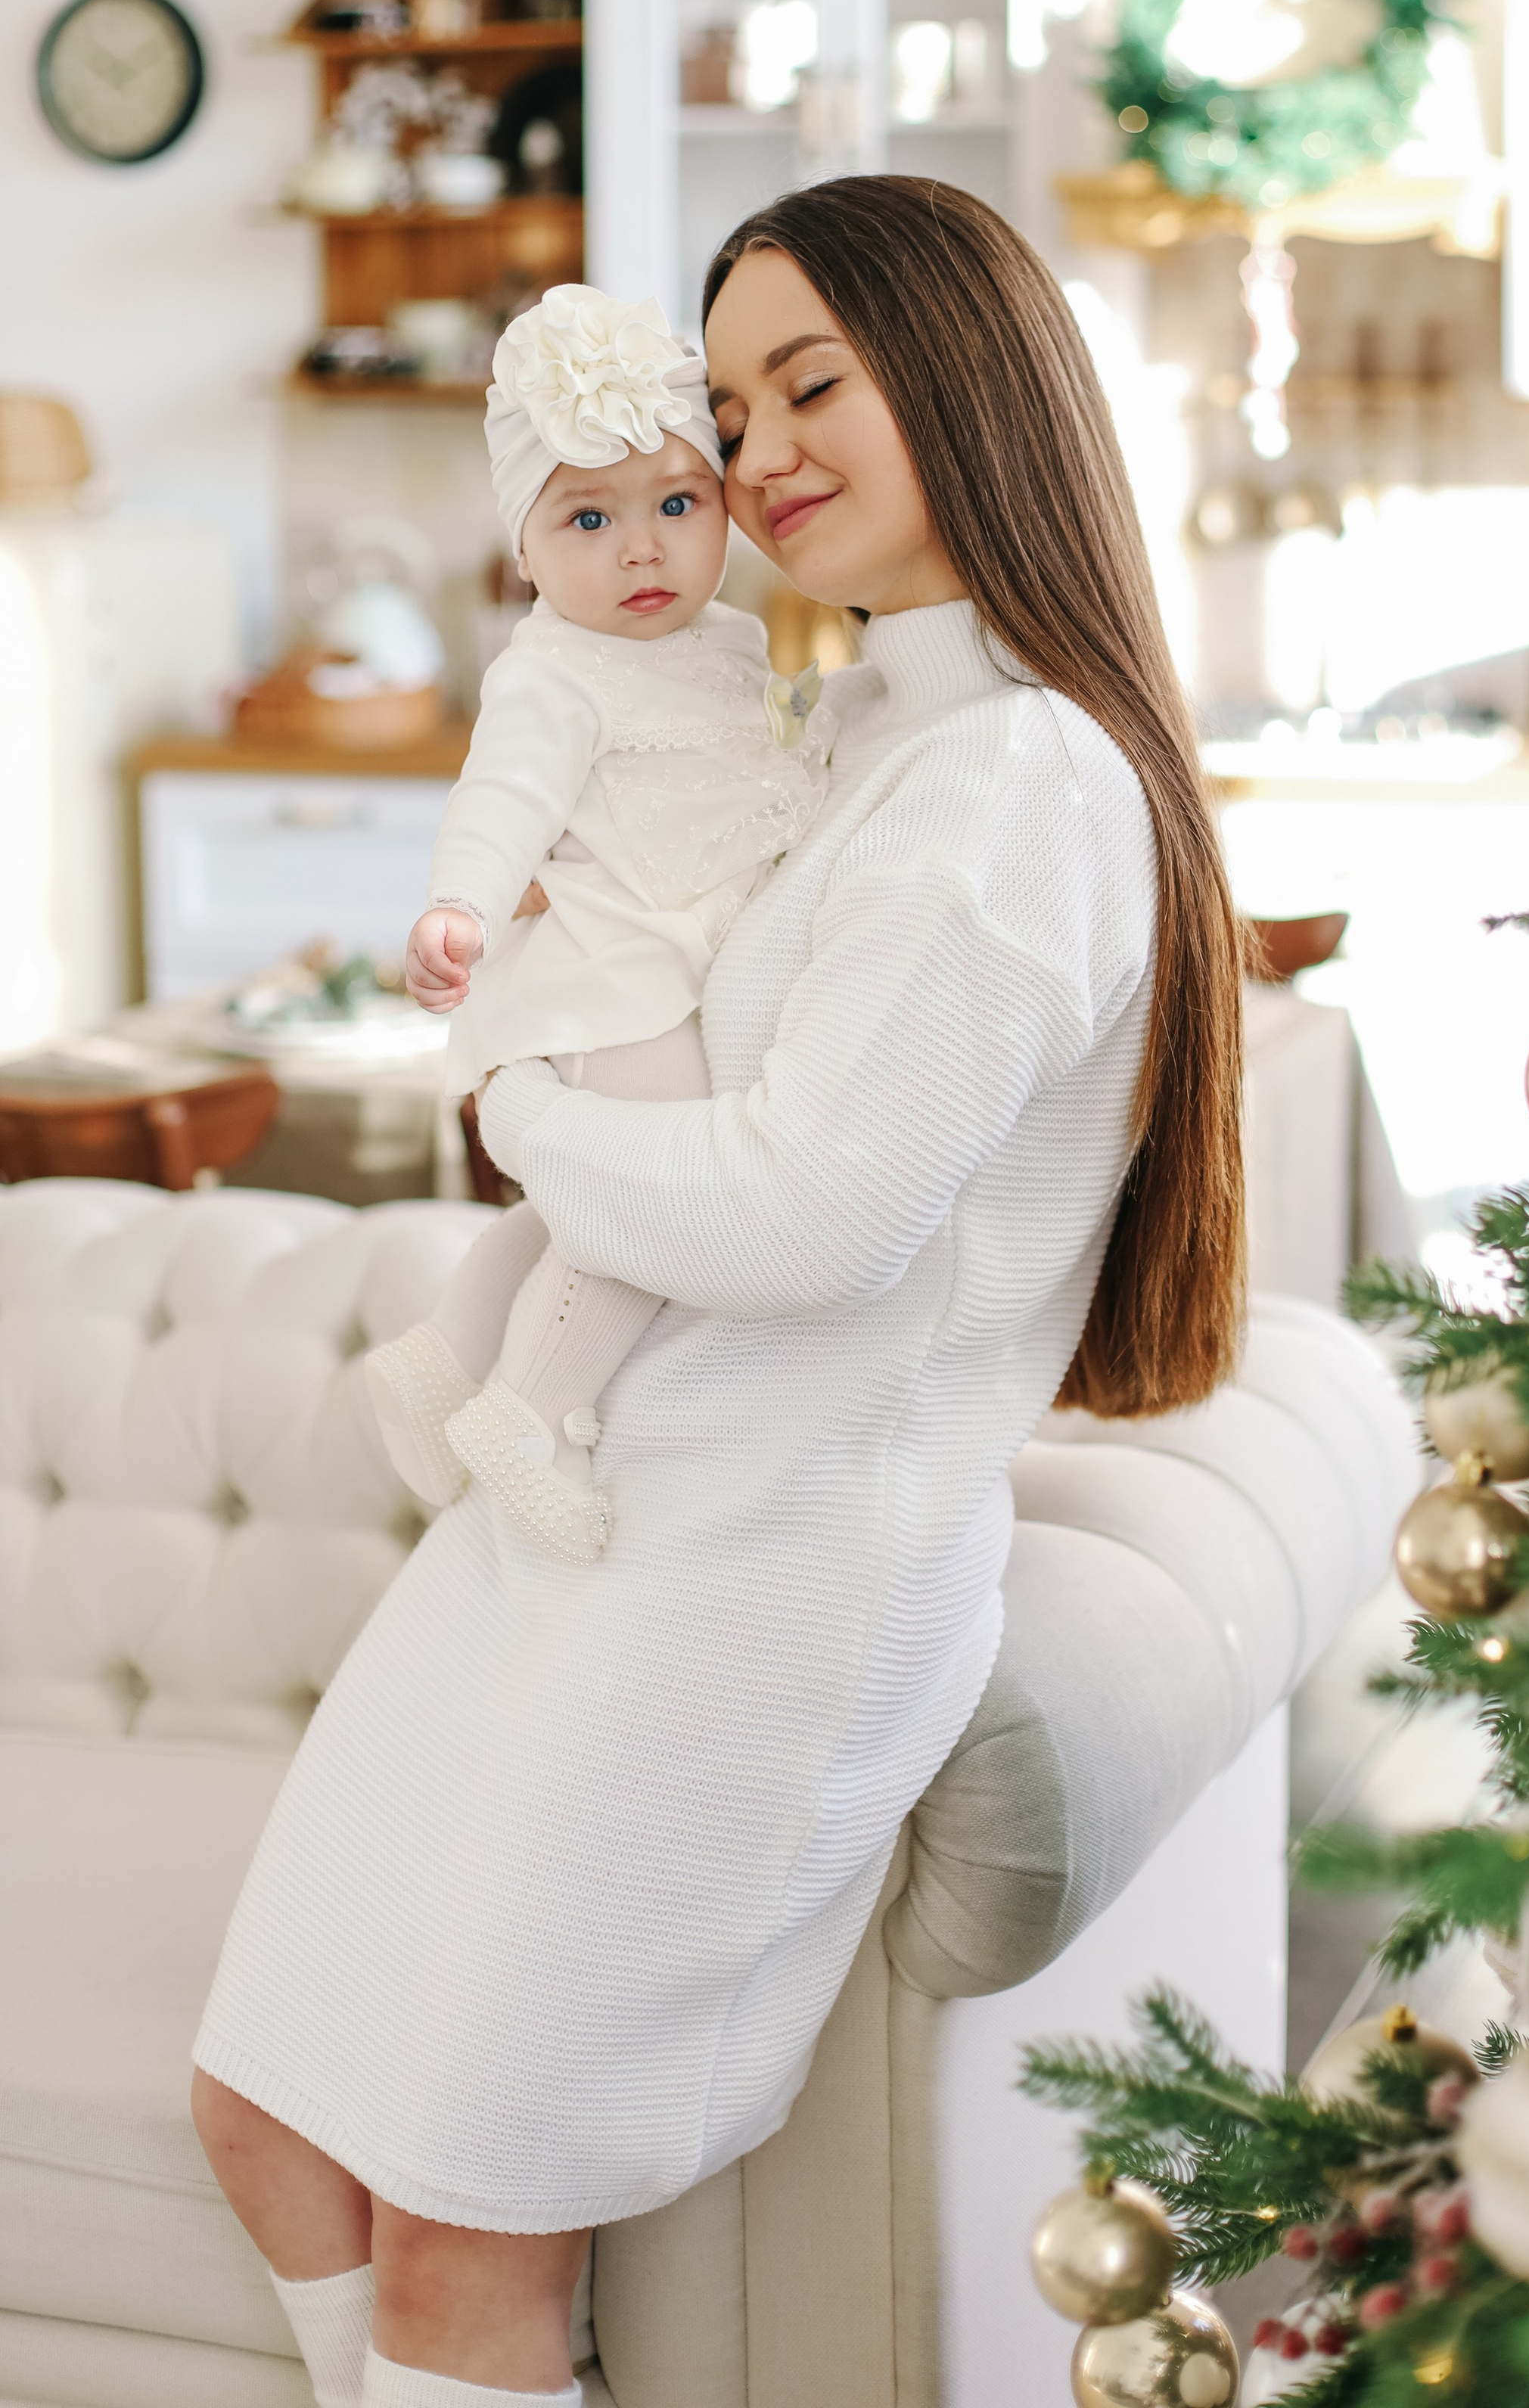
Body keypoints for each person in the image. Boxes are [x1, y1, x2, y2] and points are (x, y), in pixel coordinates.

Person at [189, 176, 1246, 2408]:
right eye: (728, 398)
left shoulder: (1029, 782)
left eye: (813, 383)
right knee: (264, 2112)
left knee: (466, 2241)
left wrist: (514, 1103)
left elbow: (799, 1215)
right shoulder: (864, 728)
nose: (757, 453)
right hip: (587, 1525)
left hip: (748, 1593)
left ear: (967, 378)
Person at [366, 283, 834, 1562]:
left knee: (585, 1208)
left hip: (671, 968)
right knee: (651, 1207)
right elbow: (501, 800)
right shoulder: (549, 671)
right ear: (523, 549)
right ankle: (529, 1415)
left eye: (679, 507)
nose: (643, 550)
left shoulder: (731, 641)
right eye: (589, 518)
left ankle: (443, 1355)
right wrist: (458, 906)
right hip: (610, 983)